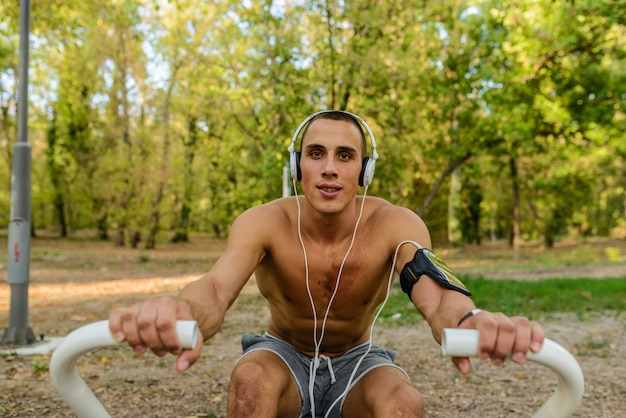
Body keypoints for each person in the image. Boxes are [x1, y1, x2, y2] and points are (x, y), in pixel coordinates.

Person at [109, 110, 544, 418]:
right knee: (250, 382)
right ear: (298, 166)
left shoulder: (396, 223)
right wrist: (181, 312)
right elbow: (218, 288)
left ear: (364, 171)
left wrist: (470, 320)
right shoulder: (264, 221)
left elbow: (436, 298)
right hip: (283, 356)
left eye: (345, 155)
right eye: (315, 153)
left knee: (403, 404)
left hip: (358, 361)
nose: (330, 168)